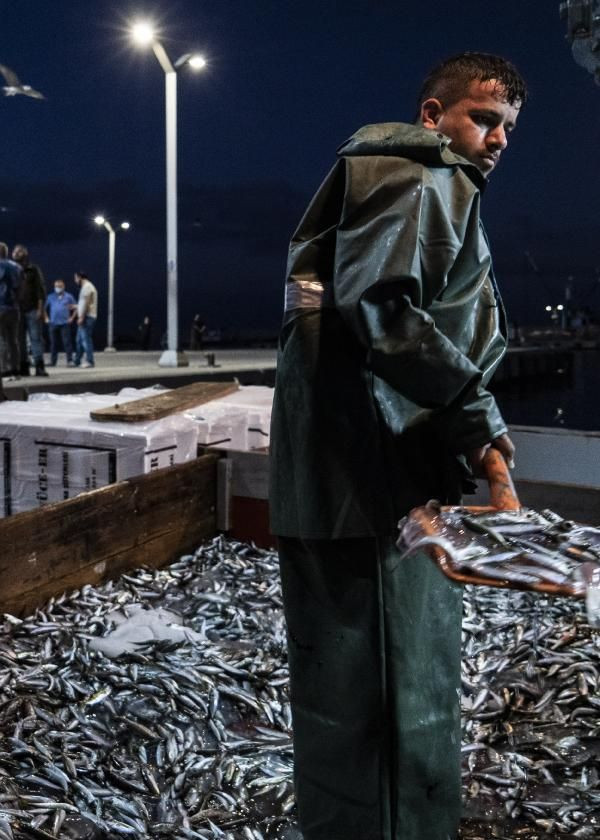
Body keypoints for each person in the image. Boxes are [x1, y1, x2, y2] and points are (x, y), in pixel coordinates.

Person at [269, 52, 526, 840]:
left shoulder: (387, 178)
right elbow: (388, 313)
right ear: (432, 115)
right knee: (393, 702)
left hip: (340, 483)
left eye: (508, 126)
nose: (497, 139)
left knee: (341, 704)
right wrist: (483, 436)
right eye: (483, 118)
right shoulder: (419, 176)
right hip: (376, 488)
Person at [12, 244, 47, 377]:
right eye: (15, 251)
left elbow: (40, 290)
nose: (16, 253)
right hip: (17, 311)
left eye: (19, 251)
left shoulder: (33, 269)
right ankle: (24, 366)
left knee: (36, 338)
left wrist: (40, 309)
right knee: (19, 340)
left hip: (32, 309)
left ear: (25, 253)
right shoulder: (11, 269)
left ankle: (39, 366)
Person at [0, 242, 22, 381]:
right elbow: (21, 287)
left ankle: (5, 370)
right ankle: (16, 370)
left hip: (1, 307)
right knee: (13, 340)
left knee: (1, 340)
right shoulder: (17, 267)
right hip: (14, 308)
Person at [45, 278, 77, 366]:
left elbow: (76, 307)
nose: (58, 288)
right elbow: (44, 308)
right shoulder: (50, 297)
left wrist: (72, 318)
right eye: (56, 286)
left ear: (63, 287)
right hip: (53, 323)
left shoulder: (69, 296)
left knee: (67, 343)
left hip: (64, 323)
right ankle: (53, 361)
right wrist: (46, 318)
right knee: (53, 343)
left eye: (60, 286)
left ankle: (70, 360)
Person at [73, 271, 97, 368]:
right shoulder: (86, 287)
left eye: (75, 278)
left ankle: (90, 361)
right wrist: (76, 306)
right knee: (79, 340)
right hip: (85, 316)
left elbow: (87, 303)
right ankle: (77, 360)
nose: (75, 281)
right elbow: (84, 303)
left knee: (86, 340)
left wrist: (81, 317)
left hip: (87, 317)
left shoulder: (87, 287)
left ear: (79, 277)